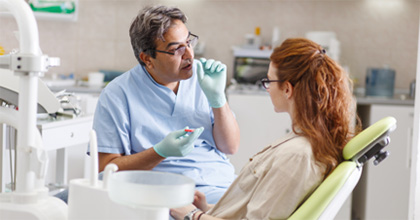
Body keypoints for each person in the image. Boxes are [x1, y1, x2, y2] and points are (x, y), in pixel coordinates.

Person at [170, 38, 360, 220]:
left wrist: (192, 216)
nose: (267, 88)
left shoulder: (296, 155)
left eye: (269, 81)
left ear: (287, 89)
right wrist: (207, 208)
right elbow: (256, 209)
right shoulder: (304, 143)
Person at [91, 5, 240, 204]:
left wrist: (218, 100)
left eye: (189, 42)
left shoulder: (203, 78)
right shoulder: (118, 94)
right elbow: (106, 169)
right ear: (147, 59)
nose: (189, 54)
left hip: (221, 185)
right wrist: (159, 152)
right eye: (176, 49)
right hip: (163, 193)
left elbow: (230, 146)